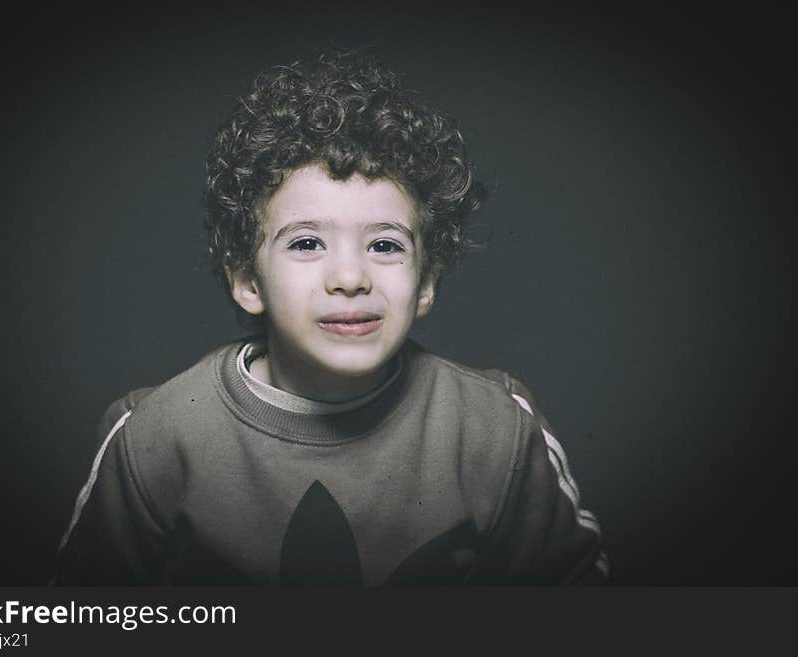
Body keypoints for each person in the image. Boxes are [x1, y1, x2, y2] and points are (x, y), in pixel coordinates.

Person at [53, 52, 608, 585]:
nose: (350, 277)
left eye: (386, 246)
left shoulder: (495, 427)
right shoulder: (155, 435)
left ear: (427, 284)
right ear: (247, 281)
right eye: (308, 242)